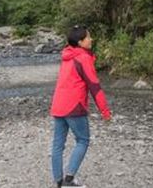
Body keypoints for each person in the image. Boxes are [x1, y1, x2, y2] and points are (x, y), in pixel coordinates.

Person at [50, 25, 112, 188]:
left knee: (57, 145)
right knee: (83, 140)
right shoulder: (83, 58)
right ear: (80, 42)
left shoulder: (67, 55)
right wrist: (105, 111)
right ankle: (69, 181)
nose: (91, 39)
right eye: (88, 37)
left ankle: (58, 182)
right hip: (74, 106)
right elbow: (94, 86)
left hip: (58, 105)